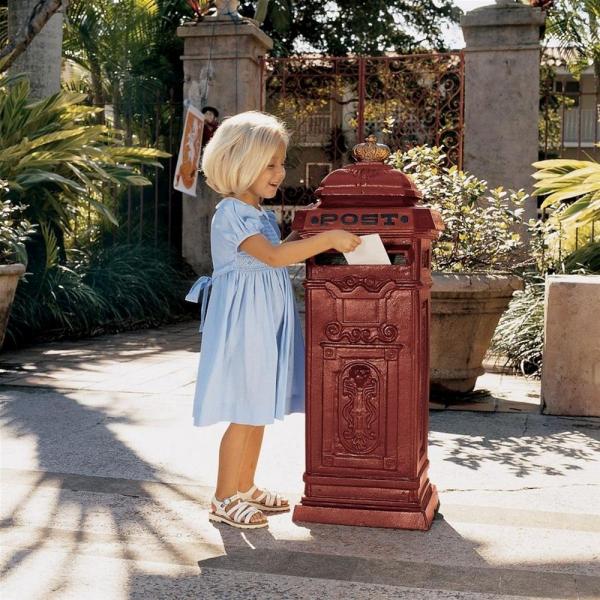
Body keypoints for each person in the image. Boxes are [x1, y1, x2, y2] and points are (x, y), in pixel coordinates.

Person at [186, 111, 361, 529]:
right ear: (239, 162)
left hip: (265, 321)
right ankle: (224, 496)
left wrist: (308, 235)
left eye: (282, 163)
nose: (280, 172)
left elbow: (277, 250)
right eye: (271, 164)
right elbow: (273, 257)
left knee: (259, 405)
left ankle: (245, 487)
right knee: (245, 408)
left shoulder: (258, 213)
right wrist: (327, 239)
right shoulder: (230, 212)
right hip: (244, 324)